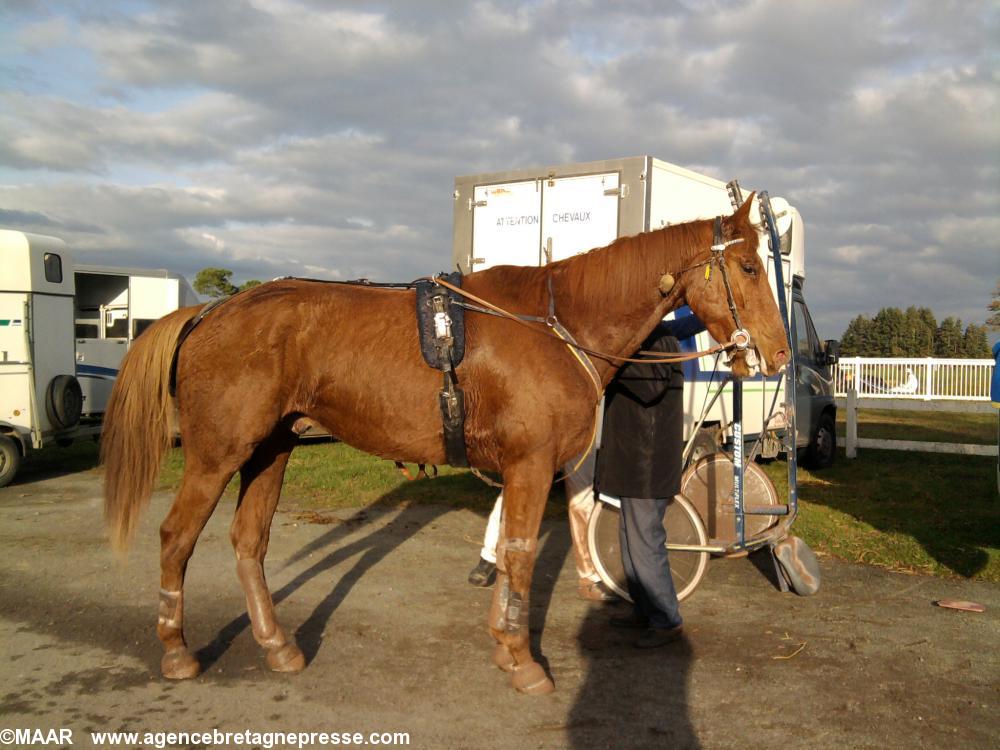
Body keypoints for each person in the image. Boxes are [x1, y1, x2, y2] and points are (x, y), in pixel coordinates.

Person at [596, 322, 687, 649]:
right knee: (630, 540)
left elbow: (651, 388)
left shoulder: (658, 338)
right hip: (635, 460)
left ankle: (666, 619)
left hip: (648, 463)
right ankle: (645, 609)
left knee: (646, 541)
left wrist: (613, 362)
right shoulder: (644, 333)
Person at [468, 449, 619, 601]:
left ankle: (590, 577)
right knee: (517, 487)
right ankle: (489, 556)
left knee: (581, 499)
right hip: (544, 435)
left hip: (581, 436)